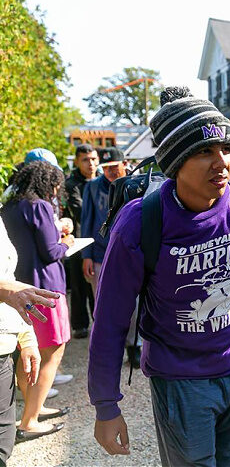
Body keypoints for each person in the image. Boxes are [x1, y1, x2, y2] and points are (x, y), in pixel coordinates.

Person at [88, 86, 230, 466]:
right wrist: (105, 404)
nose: (222, 162)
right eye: (203, 152)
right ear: (175, 161)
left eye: (225, 148)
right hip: (180, 381)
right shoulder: (139, 222)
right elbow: (110, 320)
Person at [0, 161, 73, 442]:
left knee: (28, 353)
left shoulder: (9, 207)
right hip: (45, 289)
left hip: (17, 288)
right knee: (52, 352)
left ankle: (35, 407)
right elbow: (51, 251)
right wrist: (68, 242)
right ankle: (31, 419)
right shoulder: (39, 206)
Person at [81, 147, 141, 367]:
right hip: (100, 254)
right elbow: (86, 220)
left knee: (134, 304)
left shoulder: (138, 184)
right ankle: (110, 348)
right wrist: (86, 255)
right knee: (104, 304)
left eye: (114, 167)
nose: (111, 172)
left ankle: (134, 346)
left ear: (124, 164)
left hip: (132, 253)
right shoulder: (92, 187)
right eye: (106, 168)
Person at [64, 144, 99, 339]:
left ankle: (99, 321)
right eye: (86, 159)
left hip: (100, 241)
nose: (91, 163)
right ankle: (79, 325)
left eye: (93, 159)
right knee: (79, 285)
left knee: (98, 284)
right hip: (78, 241)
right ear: (77, 161)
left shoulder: (104, 180)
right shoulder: (71, 185)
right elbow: (81, 212)